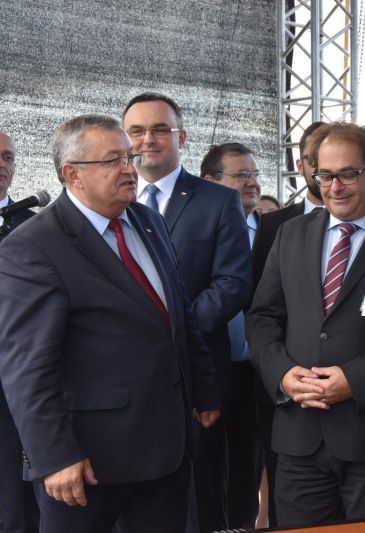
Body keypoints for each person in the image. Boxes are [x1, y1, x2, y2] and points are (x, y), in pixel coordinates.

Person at [0, 114, 221, 533]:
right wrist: (54, 455)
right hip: (84, 464)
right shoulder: (32, 246)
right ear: (72, 174)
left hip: (164, 451)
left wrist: (205, 388)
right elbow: (27, 368)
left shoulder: (147, 221)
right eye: (112, 160)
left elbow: (176, 313)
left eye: (128, 157)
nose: (129, 168)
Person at [245, 122, 365, 528]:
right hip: (299, 440)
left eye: (348, 174)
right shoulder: (292, 233)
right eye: (324, 176)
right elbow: (262, 318)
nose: (335, 187)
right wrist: (283, 374)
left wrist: (355, 381)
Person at [123, 93, 251, 532]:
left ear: (181, 137)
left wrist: (176, 330)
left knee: (202, 500)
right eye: (137, 131)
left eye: (160, 129)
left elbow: (233, 283)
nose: (148, 139)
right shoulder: (112, 200)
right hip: (128, 384)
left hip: (198, 380)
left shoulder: (217, 200)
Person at [249, 121, 325, 528]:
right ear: (303, 164)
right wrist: (281, 373)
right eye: (318, 162)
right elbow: (262, 308)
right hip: (287, 399)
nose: (329, 176)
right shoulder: (275, 225)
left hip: (362, 415)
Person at [201, 143, 262, 529]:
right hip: (208, 369)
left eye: (254, 174)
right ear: (210, 182)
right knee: (207, 475)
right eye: (241, 175)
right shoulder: (199, 228)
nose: (252, 182)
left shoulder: (274, 229)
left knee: (247, 471)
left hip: (258, 374)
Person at [0, 131, 39, 533]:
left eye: (8, 157)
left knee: (17, 492)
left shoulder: (34, 226)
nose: (2, 164)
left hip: (18, 377)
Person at [252, 121, 325, 286]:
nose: (323, 167)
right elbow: (259, 287)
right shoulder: (271, 223)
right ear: (300, 166)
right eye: (314, 159)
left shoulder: (359, 220)